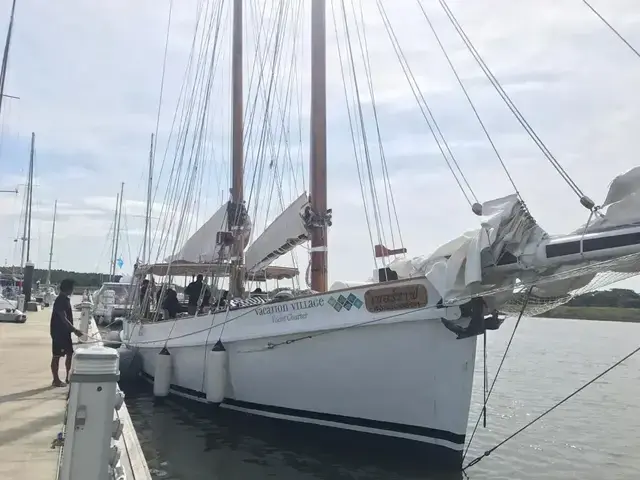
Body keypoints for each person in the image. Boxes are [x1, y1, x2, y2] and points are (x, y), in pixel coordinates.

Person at [50, 278, 83, 387]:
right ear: (68, 289)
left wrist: (71, 330)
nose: (73, 290)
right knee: (57, 356)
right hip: (58, 333)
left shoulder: (65, 299)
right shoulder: (60, 300)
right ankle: (56, 380)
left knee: (70, 354)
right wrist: (75, 330)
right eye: (72, 288)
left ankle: (68, 377)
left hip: (65, 333)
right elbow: (63, 318)